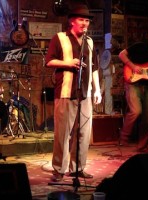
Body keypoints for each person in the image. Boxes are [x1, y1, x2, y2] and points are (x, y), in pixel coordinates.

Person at [45, 3, 102, 182]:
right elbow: (49, 61)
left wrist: (97, 90)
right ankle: (59, 170)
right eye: (81, 19)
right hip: (65, 92)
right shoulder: (60, 38)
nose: (85, 23)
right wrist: (68, 64)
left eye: (87, 20)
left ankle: (78, 168)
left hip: (85, 93)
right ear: (71, 21)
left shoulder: (90, 42)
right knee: (62, 133)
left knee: (84, 132)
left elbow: (93, 68)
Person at [118, 28, 148, 152]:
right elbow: (121, 54)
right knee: (136, 111)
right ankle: (124, 137)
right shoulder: (140, 46)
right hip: (132, 82)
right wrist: (133, 66)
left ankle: (142, 146)